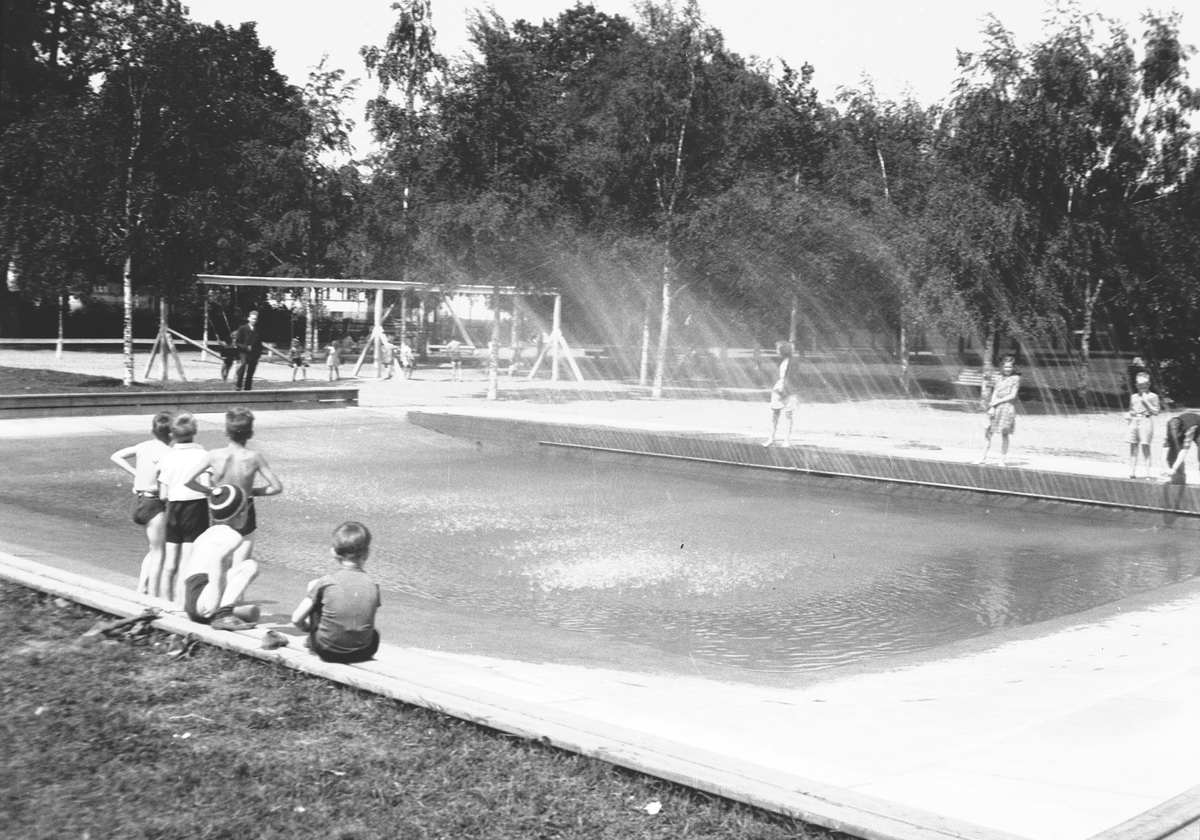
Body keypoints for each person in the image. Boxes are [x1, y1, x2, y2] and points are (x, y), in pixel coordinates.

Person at [179, 407, 283, 569]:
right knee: (239, 564)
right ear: (250, 434)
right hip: (244, 508)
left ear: (226, 432)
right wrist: (253, 492)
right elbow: (276, 487)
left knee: (218, 559)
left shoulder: (214, 455)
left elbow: (187, 480)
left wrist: (209, 491)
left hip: (221, 508)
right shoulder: (254, 457)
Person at [291, 521, 381, 664]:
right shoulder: (373, 585)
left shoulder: (326, 581)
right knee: (373, 632)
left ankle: (314, 641)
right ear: (367, 553)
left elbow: (296, 619)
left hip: (327, 651)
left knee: (314, 588)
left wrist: (308, 628)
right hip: (363, 652)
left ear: (333, 552)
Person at [181, 484, 262, 631]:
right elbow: (216, 560)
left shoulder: (205, 535)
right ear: (241, 514)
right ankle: (224, 615)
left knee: (252, 613)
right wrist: (215, 598)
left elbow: (187, 567)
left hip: (191, 601)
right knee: (250, 566)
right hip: (204, 596)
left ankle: (224, 612)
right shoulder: (233, 536)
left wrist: (183, 604)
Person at [110, 411, 174, 595]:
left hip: (138, 502)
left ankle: (142, 587)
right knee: (159, 551)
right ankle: (152, 595)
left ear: (153, 430)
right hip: (153, 504)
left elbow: (116, 456)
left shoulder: (143, 446)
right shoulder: (168, 453)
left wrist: (135, 473)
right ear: (172, 434)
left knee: (153, 549)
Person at [154, 413, 209, 604]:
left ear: (173, 434)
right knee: (187, 560)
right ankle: (181, 603)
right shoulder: (203, 456)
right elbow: (206, 485)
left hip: (173, 508)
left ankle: (163, 602)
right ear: (195, 432)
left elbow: (163, 495)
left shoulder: (168, 457)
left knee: (170, 562)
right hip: (195, 508)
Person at [978, 356, 1021, 467]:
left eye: (1010, 367)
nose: (1007, 369)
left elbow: (1012, 395)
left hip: (1007, 407)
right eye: (1006, 367)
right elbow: (995, 392)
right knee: (988, 433)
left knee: (1004, 434)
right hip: (996, 407)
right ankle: (982, 458)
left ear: (1013, 368)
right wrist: (992, 406)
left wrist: (998, 401)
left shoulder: (1015, 378)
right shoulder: (998, 378)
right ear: (1002, 367)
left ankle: (1001, 460)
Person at [763, 341, 802, 447]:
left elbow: (794, 377)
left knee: (788, 414)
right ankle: (771, 438)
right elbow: (776, 375)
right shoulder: (780, 361)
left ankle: (786, 440)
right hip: (778, 388)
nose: (776, 351)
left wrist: (786, 388)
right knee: (775, 415)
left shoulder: (793, 362)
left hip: (789, 390)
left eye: (778, 349)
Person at [1126, 372, 1161, 479]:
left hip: (1146, 420)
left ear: (1149, 384)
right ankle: (1132, 472)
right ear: (1136, 385)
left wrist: (1146, 402)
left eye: (1145, 384)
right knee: (1133, 446)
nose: (1142, 386)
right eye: (1140, 384)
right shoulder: (1133, 397)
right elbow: (1132, 409)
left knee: (1145, 446)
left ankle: (1147, 473)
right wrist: (1129, 415)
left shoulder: (1153, 396)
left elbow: (1156, 412)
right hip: (1134, 421)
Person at [1162, 411, 1200, 482]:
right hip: (1182, 429)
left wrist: (1174, 469)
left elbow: (1183, 452)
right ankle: (1179, 479)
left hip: (1197, 427)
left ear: (1181, 430)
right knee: (1172, 453)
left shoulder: (1189, 429)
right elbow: (1165, 448)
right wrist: (1165, 467)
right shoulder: (1169, 426)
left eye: (1176, 435)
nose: (1175, 437)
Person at [232, 310, 264, 391]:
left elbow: (259, 344)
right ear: (248, 318)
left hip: (254, 354)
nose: (254, 320)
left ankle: (247, 389)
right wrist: (246, 348)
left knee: (251, 372)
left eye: (255, 319)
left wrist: (258, 354)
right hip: (243, 353)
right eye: (252, 318)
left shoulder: (258, 330)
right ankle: (238, 385)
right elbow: (238, 343)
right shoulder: (242, 328)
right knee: (243, 365)